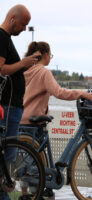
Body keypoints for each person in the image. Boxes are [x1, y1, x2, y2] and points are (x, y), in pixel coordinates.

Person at [0, 5, 41, 199]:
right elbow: (1, 69)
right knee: (7, 155)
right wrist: (24, 64)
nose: (25, 29)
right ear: (13, 19)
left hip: (12, 107)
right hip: (8, 107)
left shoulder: (5, 39)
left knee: (8, 155)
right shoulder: (1, 38)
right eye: (24, 24)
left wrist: (24, 65)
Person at [20, 41, 92, 129]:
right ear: (45, 55)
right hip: (33, 122)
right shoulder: (44, 72)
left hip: (21, 118)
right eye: (50, 55)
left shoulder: (26, 71)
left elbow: (36, 90)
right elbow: (59, 92)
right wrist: (82, 94)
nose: (50, 58)